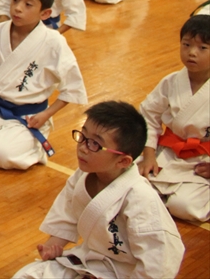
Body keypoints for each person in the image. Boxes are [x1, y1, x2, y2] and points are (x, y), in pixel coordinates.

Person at [12, 101, 184, 279]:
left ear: (123, 161)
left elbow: (159, 263)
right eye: (83, 136)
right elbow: (65, 219)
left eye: (94, 144)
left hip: (125, 273)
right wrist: (51, 249)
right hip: (90, 261)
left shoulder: (141, 197)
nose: (82, 148)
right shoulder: (82, 176)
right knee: (25, 275)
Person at [0, 0, 87, 170]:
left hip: (30, 116)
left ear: (45, 13)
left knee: (1, 156)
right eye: (15, 0)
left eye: (28, 4)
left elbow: (72, 88)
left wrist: (46, 115)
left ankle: (35, 147)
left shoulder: (53, 42)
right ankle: (6, 137)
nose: (18, 8)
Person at [138, 15, 210, 223]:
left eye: (202, 48)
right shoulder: (171, 82)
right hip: (169, 153)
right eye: (186, 45)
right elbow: (148, 116)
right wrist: (149, 154)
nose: (192, 53)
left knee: (184, 207)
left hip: (203, 162)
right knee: (133, 183)